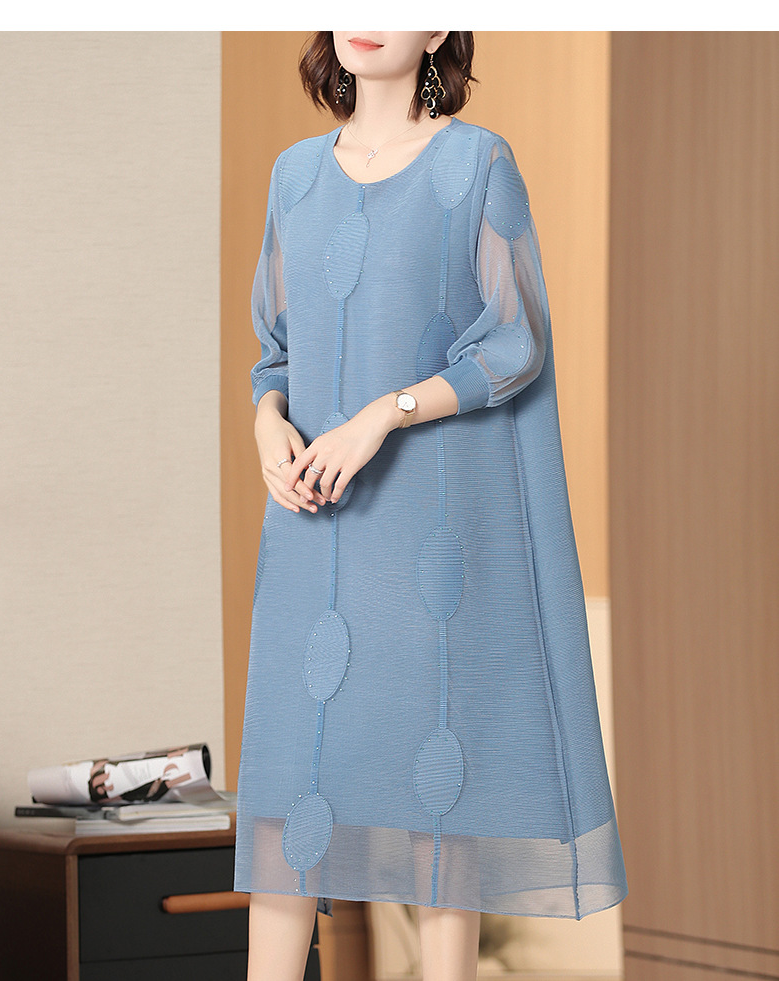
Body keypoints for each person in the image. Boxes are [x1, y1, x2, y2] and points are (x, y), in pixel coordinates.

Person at [233, 30, 628, 981]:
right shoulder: (294, 175)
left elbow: (515, 339)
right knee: (286, 802)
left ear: (442, 27)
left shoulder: (476, 163)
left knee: (438, 807)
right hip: (313, 533)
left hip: (430, 543)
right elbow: (276, 353)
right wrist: (266, 425)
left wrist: (385, 412)